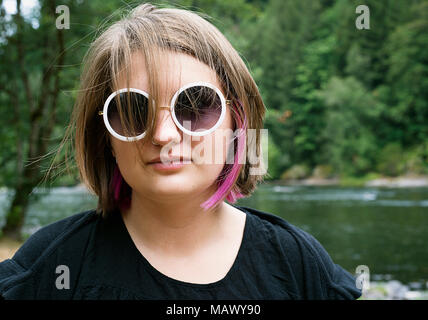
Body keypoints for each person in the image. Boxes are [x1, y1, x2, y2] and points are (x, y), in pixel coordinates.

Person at [0, 3, 361, 300]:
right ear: (105, 136)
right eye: (132, 111)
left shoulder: (298, 265)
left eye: (194, 105)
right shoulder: (54, 267)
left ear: (238, 122)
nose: (162, 134)